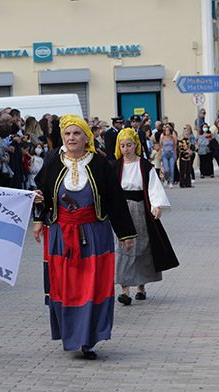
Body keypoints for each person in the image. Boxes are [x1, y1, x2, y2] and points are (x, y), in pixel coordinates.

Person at [33, 115, 136, 360]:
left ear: (86, 137)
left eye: (76, 133)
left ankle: (88, 340)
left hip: (95, 234)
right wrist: (38, 218)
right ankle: (71, 335)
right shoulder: (53, 161)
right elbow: (43, 191)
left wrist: (125, 233)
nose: (71, 138)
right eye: (67, 134)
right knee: (66, 287)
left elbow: (115, 199)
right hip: (61, 236)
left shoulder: (100, 164)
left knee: (92, 287)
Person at [112, 129, 179, 305]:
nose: (125, 149)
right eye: (122, 146)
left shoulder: (144, 165)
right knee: (122, 248)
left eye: (129, 145)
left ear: (136, 145)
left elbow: (153, 187)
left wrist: (156, 205)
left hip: (141, 209)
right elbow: (110, 190)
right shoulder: (115, 166)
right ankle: (125, 290)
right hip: (121, 211)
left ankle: (140, 287)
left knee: (141, 247)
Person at [160, 123, 178, 187]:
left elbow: (174, 146)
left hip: (171, 153)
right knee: (166, 169)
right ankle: (166, 178)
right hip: (164, 153)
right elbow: (160, 147)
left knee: (172, 169)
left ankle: (171, 182)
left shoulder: (172, 138)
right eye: (166, 130)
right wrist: (160, 155)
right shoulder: (162, 138)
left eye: (168, 130)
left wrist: (175, 154)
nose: (167, 132)